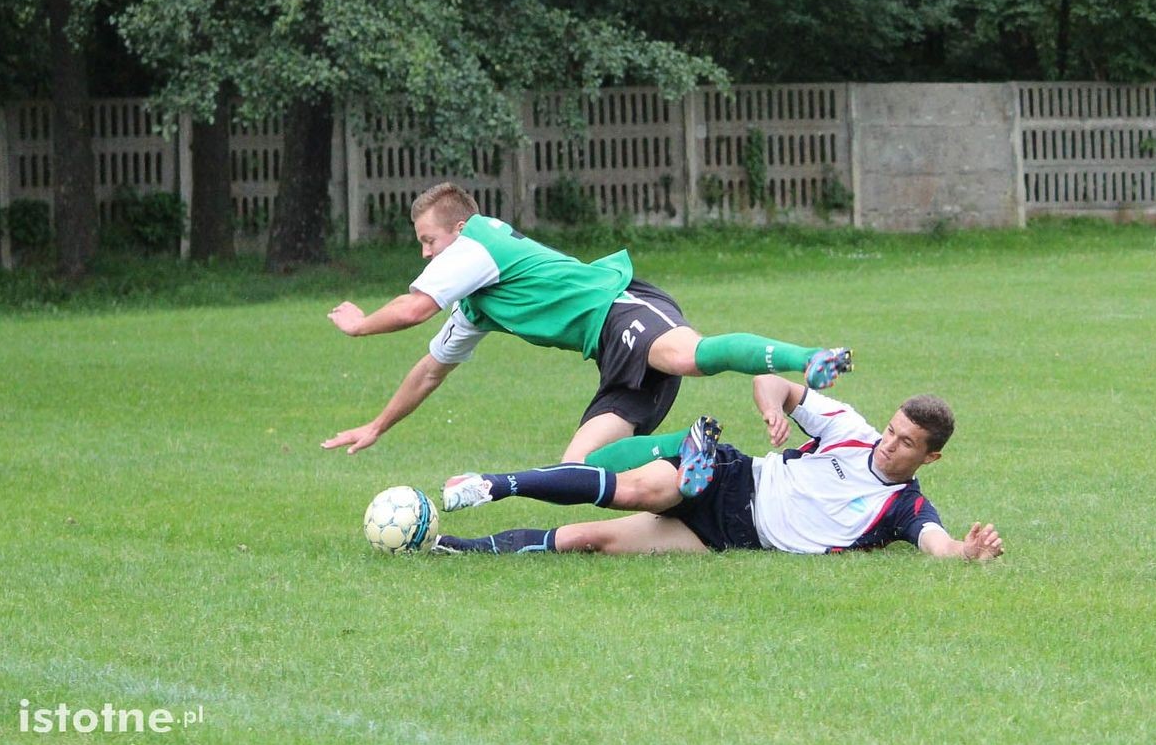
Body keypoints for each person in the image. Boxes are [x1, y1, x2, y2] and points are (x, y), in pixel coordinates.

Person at [322, 182, 853, 462]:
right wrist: (376, 426)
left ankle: (807, 359)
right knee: (577, 466)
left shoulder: (477, 243)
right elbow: (430, 372)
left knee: (689, 357)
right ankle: (686, 451)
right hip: (610, 355)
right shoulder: (476, 299)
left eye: (428, 241)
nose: (424, 254)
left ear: (458, 229)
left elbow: (415, 308)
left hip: (621, 308)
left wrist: (361, 324)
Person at [430, 375, 1005, 561]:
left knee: (589, 540)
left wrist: (966, 551)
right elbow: (772, 382)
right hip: (740, 478)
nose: (888, 444)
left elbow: (937, 544)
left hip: (731, 535)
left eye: (905, 444)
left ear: (930, 457)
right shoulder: (851, 431)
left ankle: (453, 548)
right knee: (637, 491)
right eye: (892, 430)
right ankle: (493, 485)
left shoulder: (904, 506)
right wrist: (772, 411)